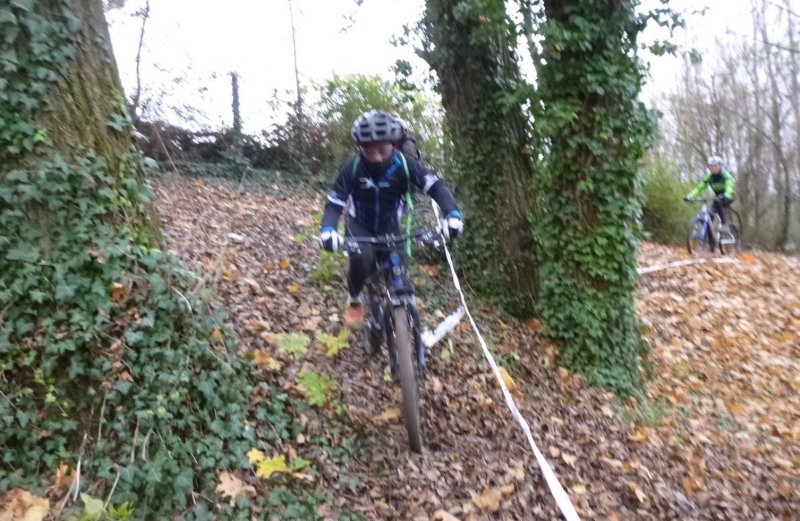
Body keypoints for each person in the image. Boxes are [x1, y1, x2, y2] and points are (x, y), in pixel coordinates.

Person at [319, 110, 463, 328]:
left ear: (393, 145)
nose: (377, 157)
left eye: (383, 151)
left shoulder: (406, 165)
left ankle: (402, 326)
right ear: (360, 149)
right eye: (369, 152)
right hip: (361, 226)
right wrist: (328, 229)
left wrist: (452, 214)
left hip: (391, 226)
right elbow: (335, 202)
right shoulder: (353, 168)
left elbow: (435, 186)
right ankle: (355, 298)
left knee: (398, 272)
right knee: (361, 261)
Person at [685, 155, 736, 225]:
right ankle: (710, 235)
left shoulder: (725, 175)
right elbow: (699, 188)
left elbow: (729, 186)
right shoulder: (709, 176)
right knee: (709, 218)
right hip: (718, 197)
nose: (713, 168)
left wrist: (727, 195)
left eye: (716, 166)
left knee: (717, 201)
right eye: (711, 166)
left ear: (720, 166)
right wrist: (690, 196)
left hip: (728, 196)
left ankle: (724, 224)